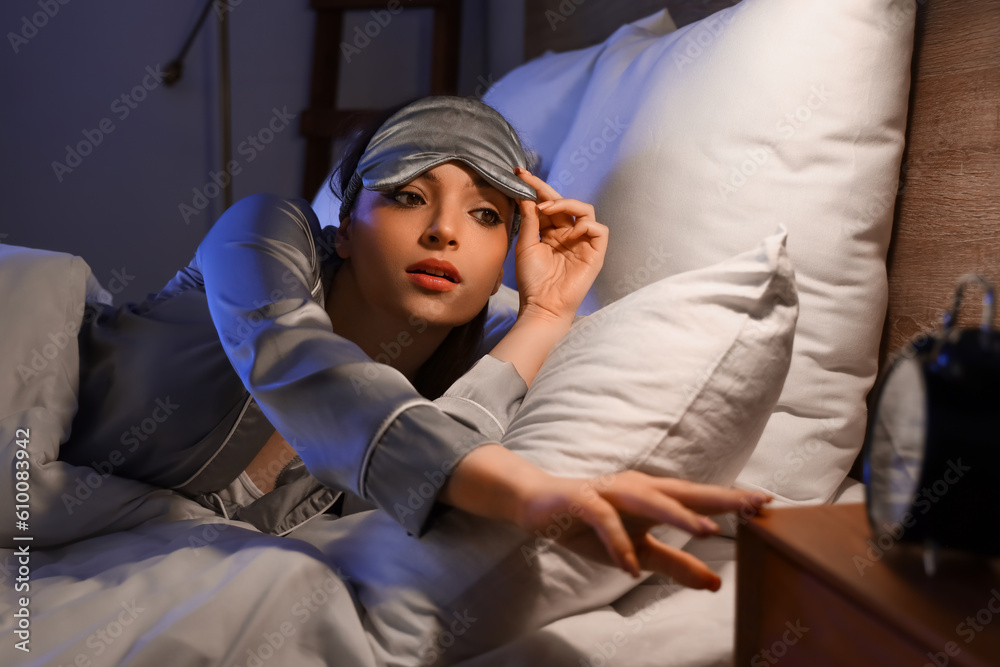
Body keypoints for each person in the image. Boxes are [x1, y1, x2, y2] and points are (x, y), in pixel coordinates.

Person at [60, 95, 770, 591]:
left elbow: (428, 456)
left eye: (486, 213)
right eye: (407, 194)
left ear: (502, 257)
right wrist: (528, 494)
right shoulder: (263, 235)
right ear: (343, 225)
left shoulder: (462, 363)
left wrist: (547, 313)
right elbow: (305, 369)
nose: (444, 230)